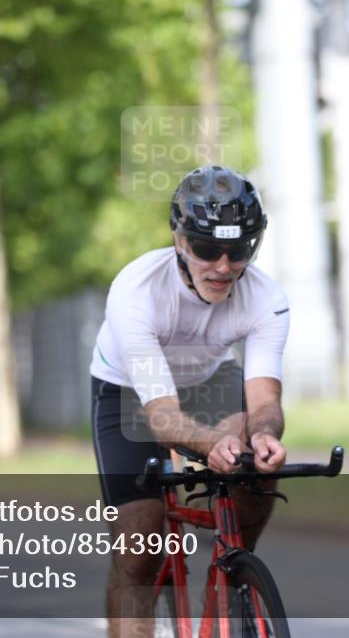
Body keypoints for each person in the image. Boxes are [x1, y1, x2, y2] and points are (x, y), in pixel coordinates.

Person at [90, 165, 290, 636]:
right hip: (127, 389)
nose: (222, 266)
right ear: (180, 243)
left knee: (255, 470)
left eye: (237, 250)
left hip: (209, 375)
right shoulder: (136, 290)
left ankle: (233, 577)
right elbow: (161, 417)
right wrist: (208, 443)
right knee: (139, 544)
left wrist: (262, 435)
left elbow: (264, 398)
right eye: (206, 249)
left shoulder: (266, 298)